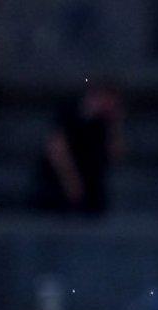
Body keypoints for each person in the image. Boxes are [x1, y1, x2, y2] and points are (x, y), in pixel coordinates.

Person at [32, 84, 126, 215]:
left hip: (91, 184)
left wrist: (116, 125)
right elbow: (57, 150)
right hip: (61, 181)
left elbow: (117, 154)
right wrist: (71, 181)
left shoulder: (104, 123)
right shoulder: (69, 112)